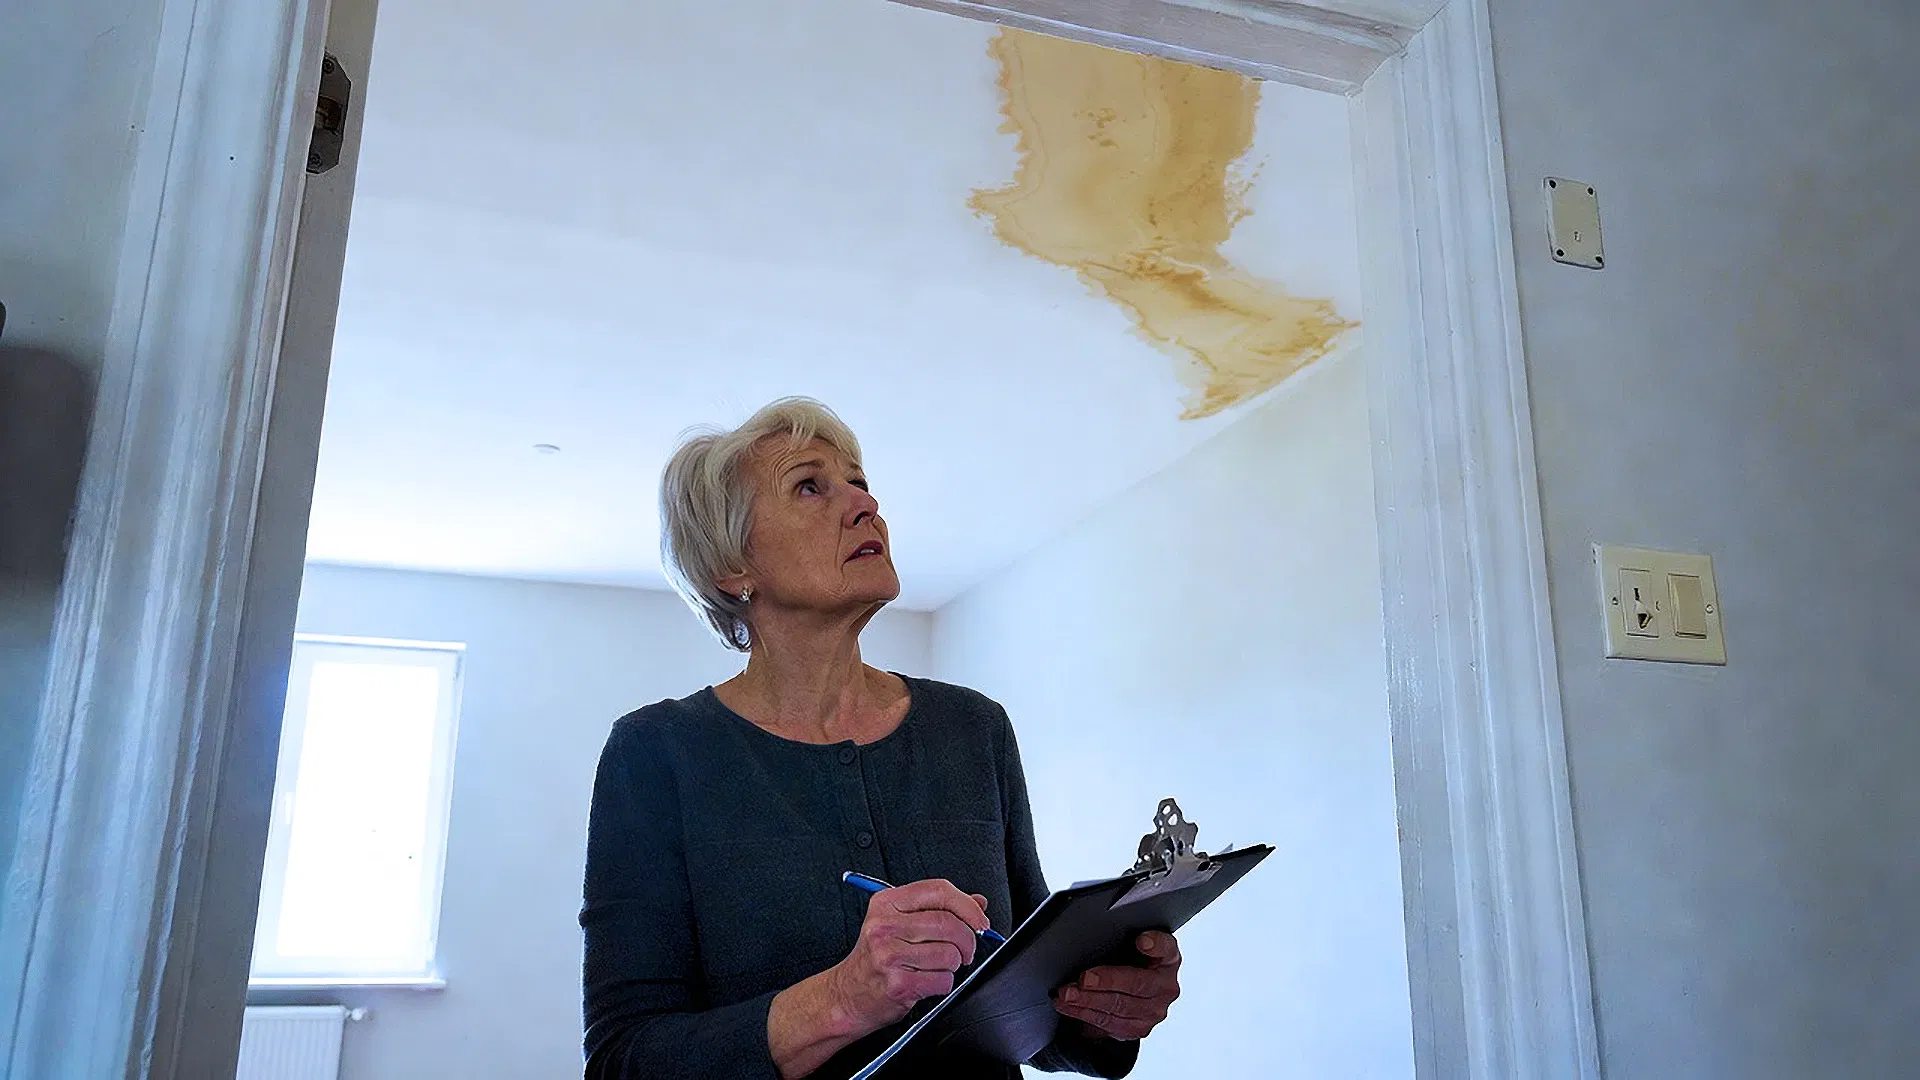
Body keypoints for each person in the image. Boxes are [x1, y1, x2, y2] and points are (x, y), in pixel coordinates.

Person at [581, 398, 1181, 1079]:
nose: (865, 507)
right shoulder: (654, 753)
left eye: (860, 484)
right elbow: (622, 1062)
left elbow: (1028, 1003)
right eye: (811, 485)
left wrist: (1104, 1010)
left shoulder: (975, 729)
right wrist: (845, 999)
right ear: (731, 567)